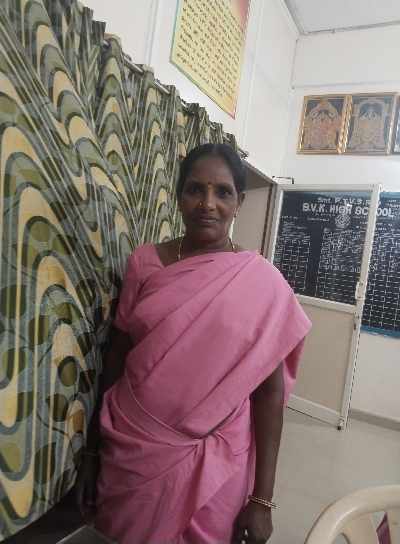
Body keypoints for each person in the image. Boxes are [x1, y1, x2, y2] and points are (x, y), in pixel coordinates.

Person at [77, 143, 311, 543]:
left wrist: (262, 499)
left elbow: (270, 394)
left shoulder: (263, 283)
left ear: (239, 202)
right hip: (133, 451)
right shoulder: (145, 263)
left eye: (223, 192)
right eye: (195, 189)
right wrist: (93, 451)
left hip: (214, 466)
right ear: (179, 195)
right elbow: (116, 356)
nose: (208, 204)